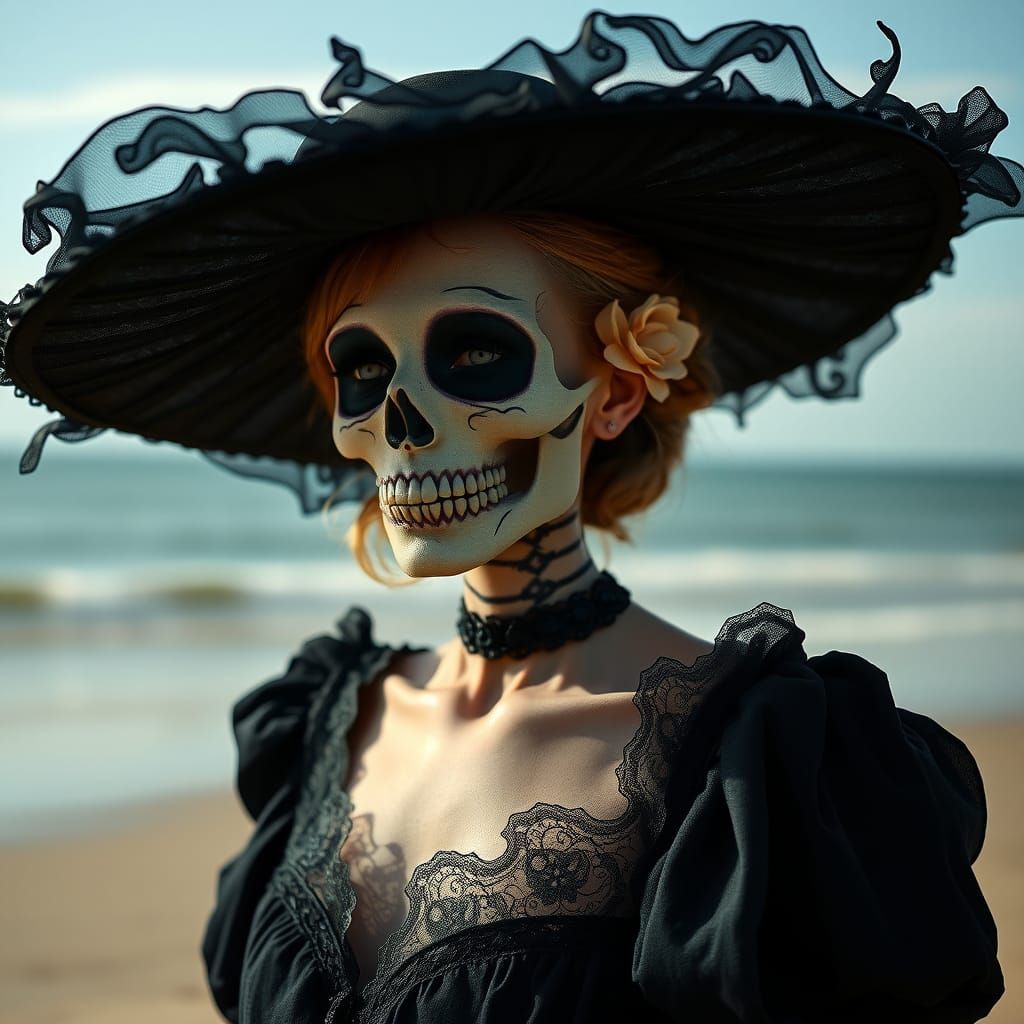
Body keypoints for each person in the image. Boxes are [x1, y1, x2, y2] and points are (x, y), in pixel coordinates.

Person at [2, 11, 1020, 1023]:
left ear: (617, 390)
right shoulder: (319, 724)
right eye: (362, 369)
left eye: (477, 352)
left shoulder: (757, 766)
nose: (402, 425)